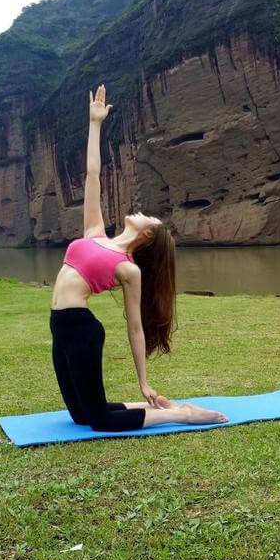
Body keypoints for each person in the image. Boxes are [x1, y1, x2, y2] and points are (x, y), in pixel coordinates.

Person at [50, 84, 228, 431]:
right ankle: (158, 407)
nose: (143, 213)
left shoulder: (129, 269)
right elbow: (93, 175)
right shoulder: (95, 232)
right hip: (59, 326)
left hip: (82, 329)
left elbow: (135, 328)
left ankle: (183, 414)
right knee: (81, 415)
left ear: (149, 235)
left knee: (99, 421)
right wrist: (95, 124)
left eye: (151, 218)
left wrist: (143, 381)